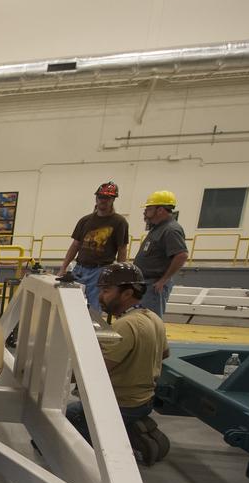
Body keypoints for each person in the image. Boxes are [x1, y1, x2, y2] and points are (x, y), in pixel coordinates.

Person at [65, 263, 169, 447]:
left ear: (127, 293)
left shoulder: (125, 325)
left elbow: (97, 371)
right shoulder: (153, 318)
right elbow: (165, 353)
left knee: (56, 428)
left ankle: (122, 434)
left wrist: (64, 374)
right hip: (144, 400)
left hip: (120, 404)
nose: (101, 297)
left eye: (106, 291)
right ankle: (131, 429)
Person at [57, 182, 130, 312]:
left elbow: (122, 249)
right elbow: (75, 245)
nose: (103, 201)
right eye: (101, 197)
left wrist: (120, 275)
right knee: (71, 305)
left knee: (94, 308)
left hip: (100, 270)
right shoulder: (85, 221)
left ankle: (90, 330)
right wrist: (63, 268)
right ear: (96, 198)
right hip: (80, 268)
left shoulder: (119, 222)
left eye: (107, 198)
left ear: (113, 200)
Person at [133, 190, 187, 317]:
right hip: (146, 284)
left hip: (154, 285)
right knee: (142, 319)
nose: (145, 212)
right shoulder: (158, 228)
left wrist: (163, 280)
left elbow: (181, 255)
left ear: (160, 210)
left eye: (149, 208)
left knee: (150, 320)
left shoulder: (171, 230)